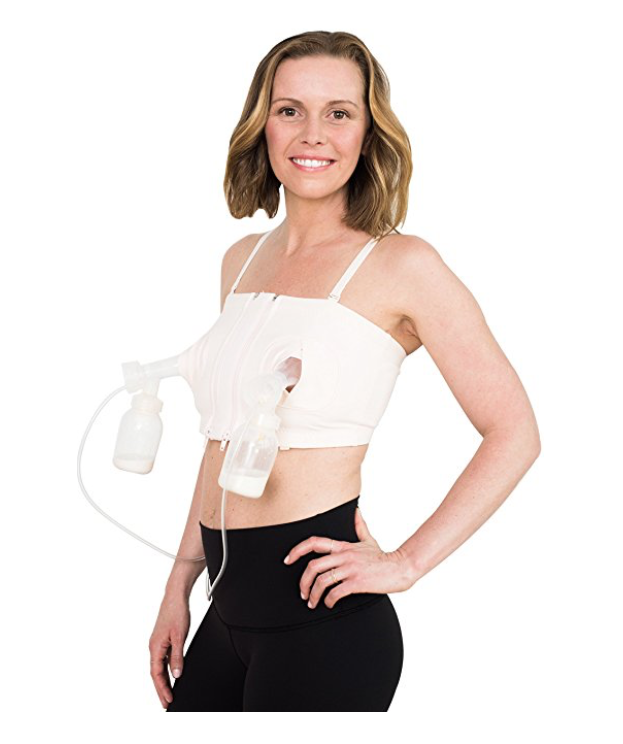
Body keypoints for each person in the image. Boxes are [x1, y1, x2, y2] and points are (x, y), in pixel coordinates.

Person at [149, 30, 541, 712]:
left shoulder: (403, 265)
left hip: (323, 623)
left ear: (368, 131)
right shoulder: (241, 260)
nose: (313, 134)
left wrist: (407, 563)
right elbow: (223, 441)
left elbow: (515, 432)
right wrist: (177, 586)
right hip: (224, 613)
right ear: (263, 125)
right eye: (290, 110)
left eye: (339, 113)